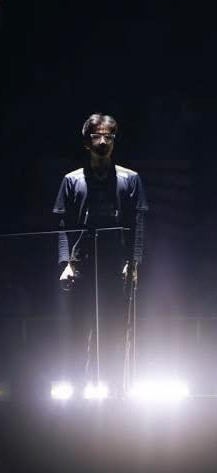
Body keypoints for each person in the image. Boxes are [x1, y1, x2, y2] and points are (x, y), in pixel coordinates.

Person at [53, 113, 148, 396]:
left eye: (109, 136)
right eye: (97, 136)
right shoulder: (71, 180)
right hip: (81, 265)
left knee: (115, 329)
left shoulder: (130, 179)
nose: (103, 141)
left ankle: (116, 391)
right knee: (79, 329)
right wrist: (65, 263)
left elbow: (138, 224)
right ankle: (77, 392)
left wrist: (133, 262)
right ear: (87, 141)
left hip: (116, 266)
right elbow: (62, 225)